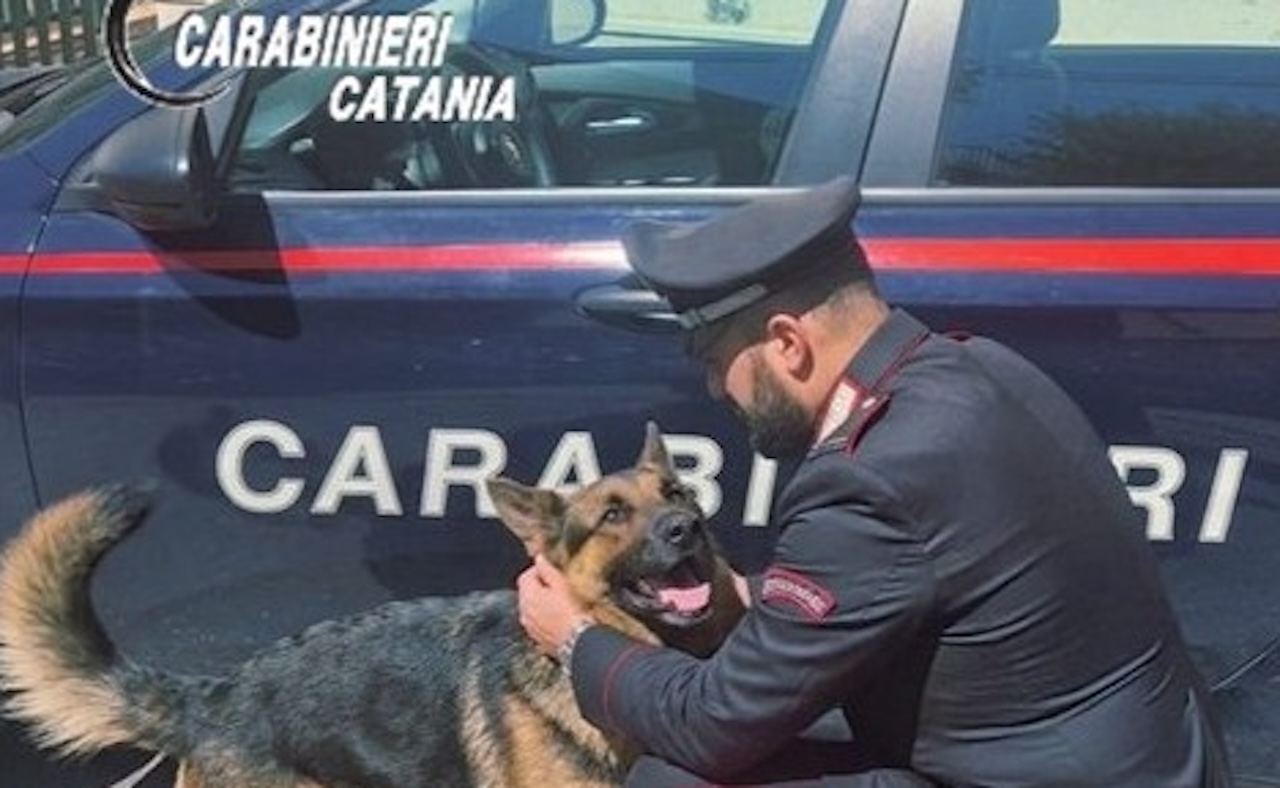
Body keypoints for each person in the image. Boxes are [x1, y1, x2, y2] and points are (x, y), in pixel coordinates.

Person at [516, 177, 1231, 786]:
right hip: (1154, 757)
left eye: (713, 357)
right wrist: (748, 593)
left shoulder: (867, 478)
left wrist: (578, 639)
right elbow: (924, 571)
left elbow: (712, 723)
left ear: (789, 344)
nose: (711, 387)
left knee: (668, 775)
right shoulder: (979, 366)